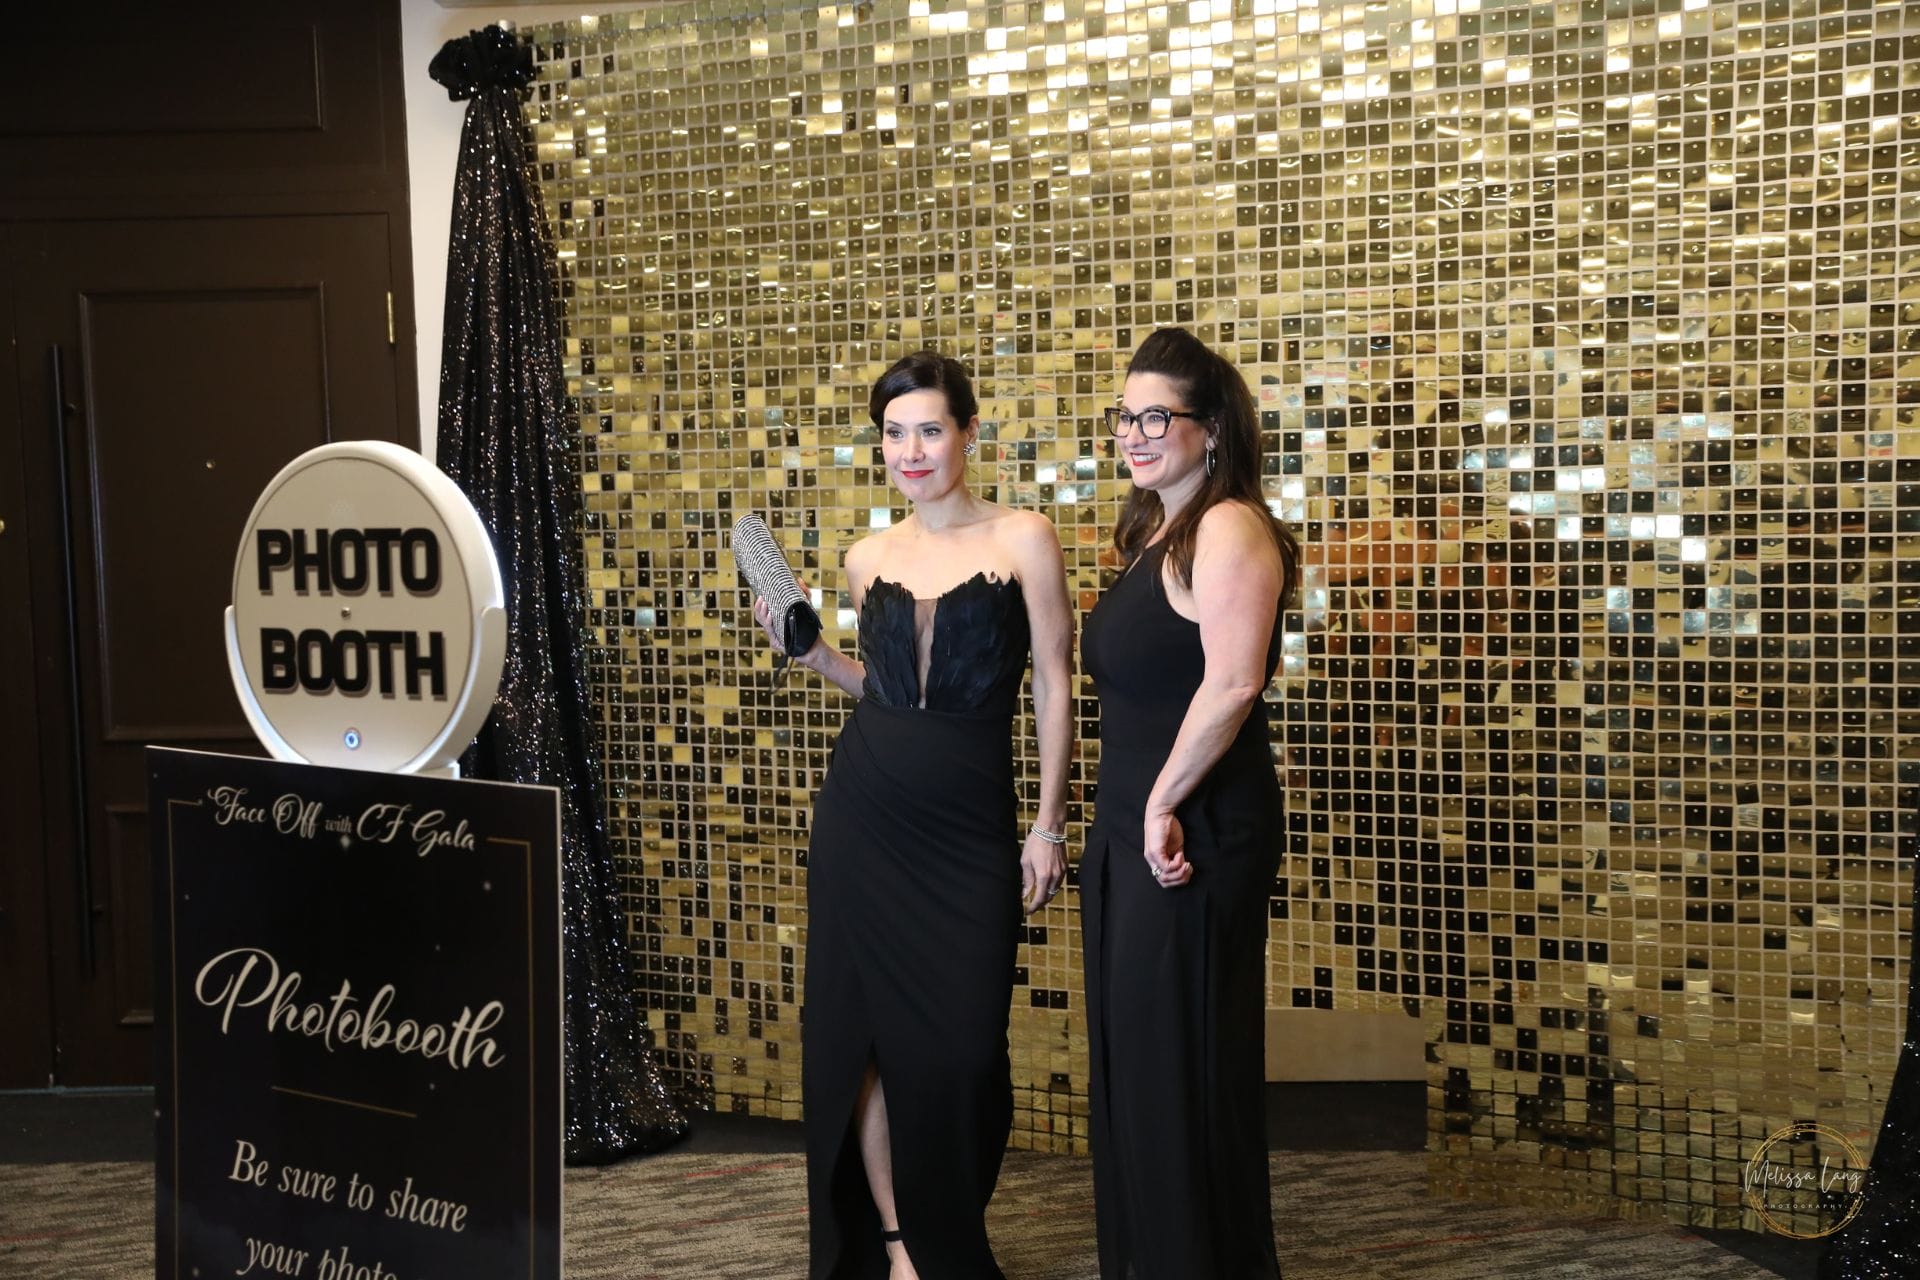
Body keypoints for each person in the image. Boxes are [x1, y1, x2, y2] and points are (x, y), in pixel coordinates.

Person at [751, 351, 1073, 1280]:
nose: (912, 451)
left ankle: (943, 1231)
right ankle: (902, 1248)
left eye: (930, 430)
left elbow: (1053, 684)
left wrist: (1048, 823)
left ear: (969, 432)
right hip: (865, 820)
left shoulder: (1025, 538)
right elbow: (891, 693)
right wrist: (817, 659)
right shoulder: (868, 558)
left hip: (969, 827)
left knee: (964, 1055)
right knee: (864, 1043)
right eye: (895, 434)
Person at [1079, 327, 1300, 1278]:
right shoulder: (1153, 536)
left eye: (1155, 417)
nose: (1134, 434)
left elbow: (1234, 682)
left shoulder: (1229, 527)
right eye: (1124, 417)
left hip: (1193, 830)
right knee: (1139, 1069)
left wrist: (1161, 802)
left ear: (1211, 429)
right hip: (1138, 828)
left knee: (1180, 1072)